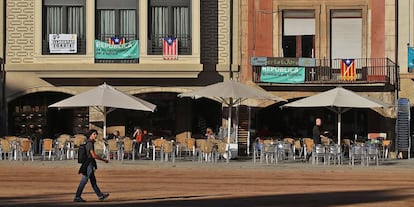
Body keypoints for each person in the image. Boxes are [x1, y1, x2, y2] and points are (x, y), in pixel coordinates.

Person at [74, 129, 109, 202]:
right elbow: (93, 155)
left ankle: (100, 195)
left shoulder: (89, 142)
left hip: (89, 163)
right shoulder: (90, 143)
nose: (95, 135)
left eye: (96, 134)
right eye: (94, 134)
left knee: (93, 181)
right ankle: (77, 196)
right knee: (84, 180)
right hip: (89, 163)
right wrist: (103, 160)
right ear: (90, 135)